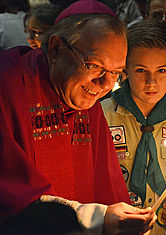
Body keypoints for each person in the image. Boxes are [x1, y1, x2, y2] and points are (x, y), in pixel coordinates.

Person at [0, 1, 156, 234]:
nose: (105, 85)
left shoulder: (85, 94)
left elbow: (107, 190)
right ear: (55, 49)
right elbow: (13, 196)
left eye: (116, 73)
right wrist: (99, 218)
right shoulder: (7, 84)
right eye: (94, 66)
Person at [101, 20, 166, 234]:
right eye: (141, 70)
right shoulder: (102, 118)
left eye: (161, 70)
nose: (151, 82)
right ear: (125, 69)